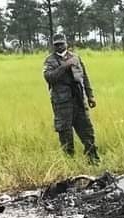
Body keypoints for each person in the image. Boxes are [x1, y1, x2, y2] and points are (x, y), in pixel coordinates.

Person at [42, 33, 99, 162]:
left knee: (87, 130)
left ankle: (93, 160)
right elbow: (49, 77)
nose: (59, 46)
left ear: (66, 43)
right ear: (53, 46)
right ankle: (69, 162)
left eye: (61, 44)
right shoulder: (49, 61)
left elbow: (84, 77)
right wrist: (65, 65)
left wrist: (90, 96)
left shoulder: (76, 57)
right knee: (65, 133)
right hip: (62, 103)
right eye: (56, 45)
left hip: (78, 100)